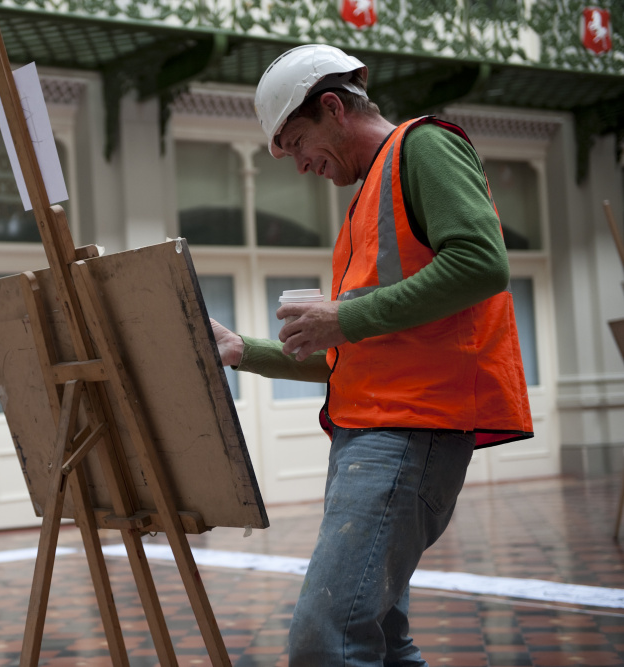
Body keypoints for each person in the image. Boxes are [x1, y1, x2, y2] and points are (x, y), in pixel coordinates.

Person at [211, 44, 533, 666]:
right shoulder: (368, 199)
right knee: (381, 642)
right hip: (375, 435)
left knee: (323, 640)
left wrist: (347, 316)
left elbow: (482, 264)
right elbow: (353, 353)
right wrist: (241, 350)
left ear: (333, 108)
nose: (301, 166)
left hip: (409, 434)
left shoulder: (424, 147)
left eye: (298, 143)